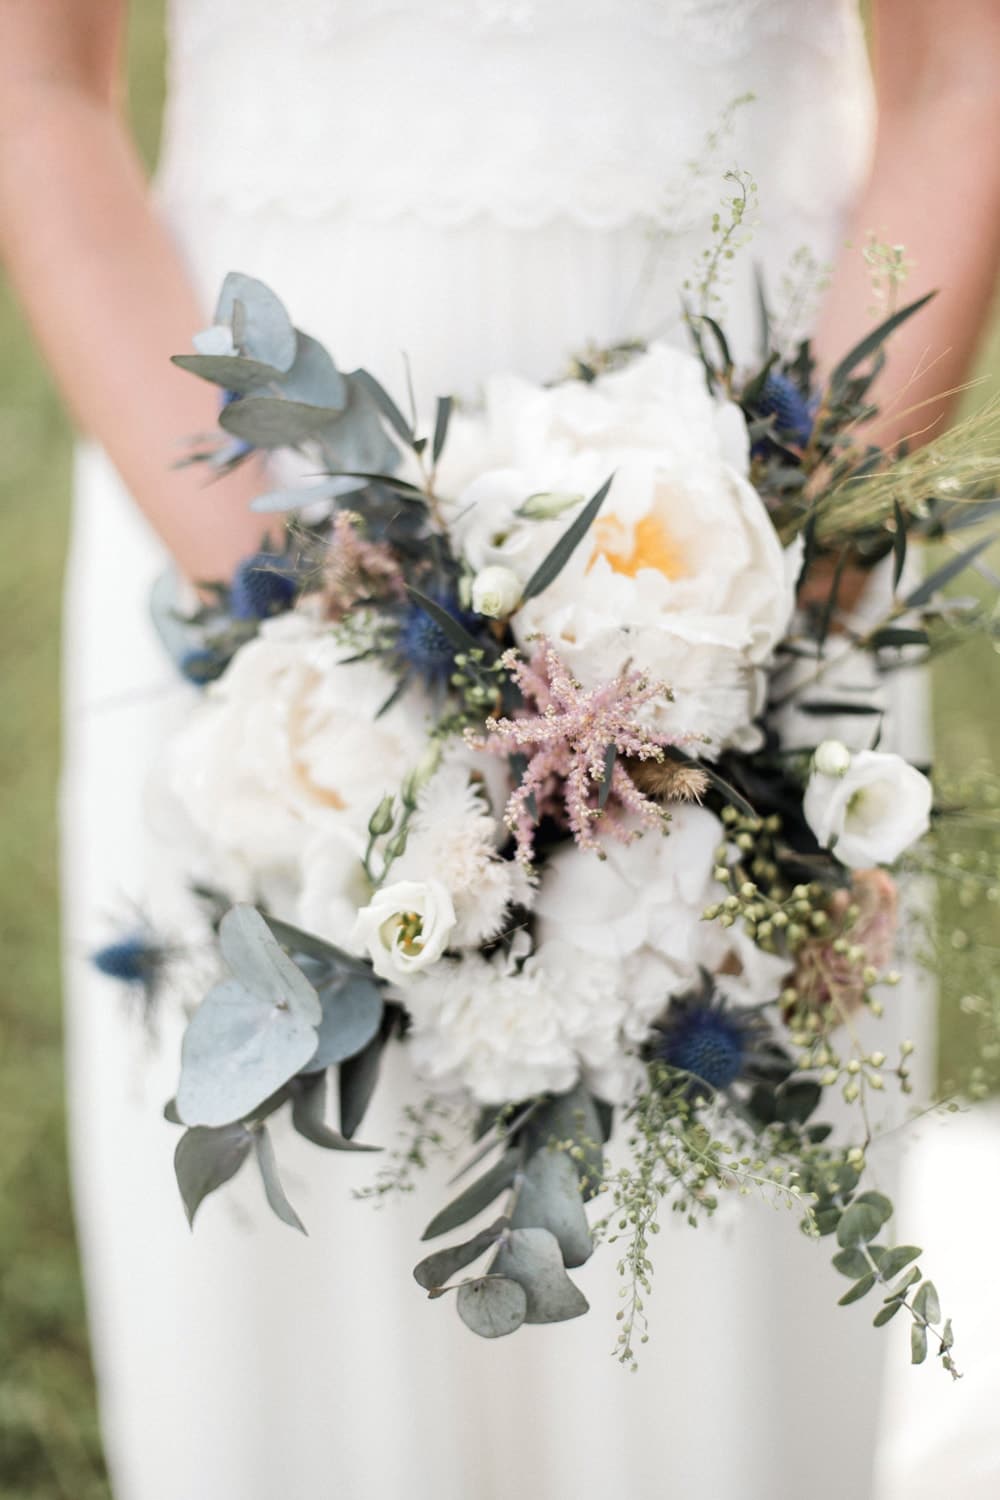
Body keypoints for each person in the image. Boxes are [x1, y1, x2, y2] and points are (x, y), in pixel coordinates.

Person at [2, 2, 1000, 1497]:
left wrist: (768, 594)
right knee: (304, 1267)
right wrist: (299, 620)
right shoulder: (268, 591)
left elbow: (964, 71)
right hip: (239, 500)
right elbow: (36, 83)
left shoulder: (753, 588)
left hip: (734, 533)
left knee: (703, 1300)